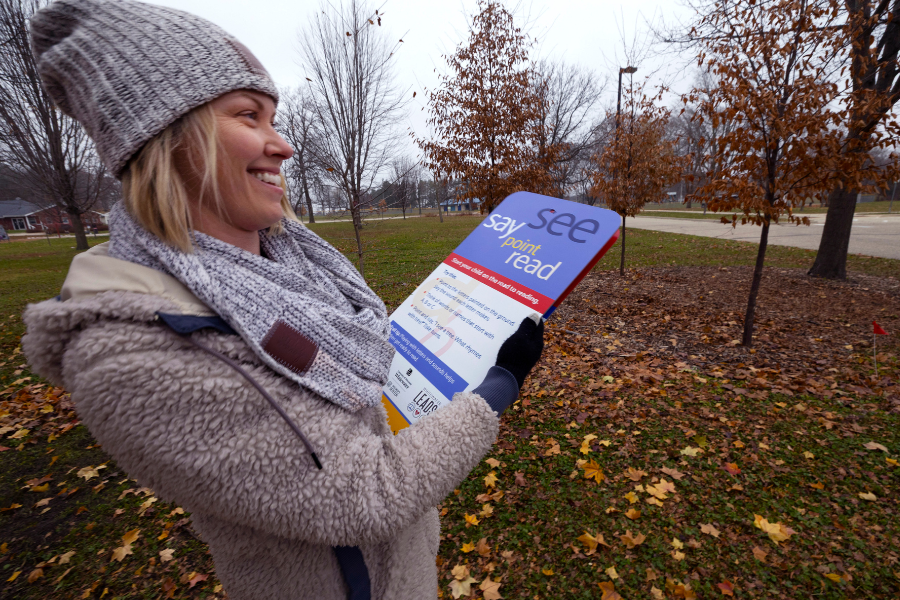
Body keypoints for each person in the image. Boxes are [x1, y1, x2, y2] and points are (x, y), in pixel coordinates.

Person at [21, 1, 544, 599]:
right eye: (250, 116)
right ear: (167, 139)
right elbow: (363, 492)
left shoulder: (291, 262)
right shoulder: (130, 352)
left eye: (274, 118)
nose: (284, 146)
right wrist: (496, 388)